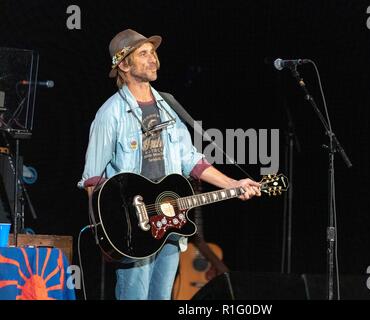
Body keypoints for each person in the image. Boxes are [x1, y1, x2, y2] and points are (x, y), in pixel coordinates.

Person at [78, 29, 261, 300]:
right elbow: (92, 180)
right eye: (143, 53)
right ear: (124, 65)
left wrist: (235, 184)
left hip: (171, 222)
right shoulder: (110, 114)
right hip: (134, 228)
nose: (153, 59)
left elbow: (191, 160)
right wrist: (108, 235)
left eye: (153, 52)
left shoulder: (169, 107)